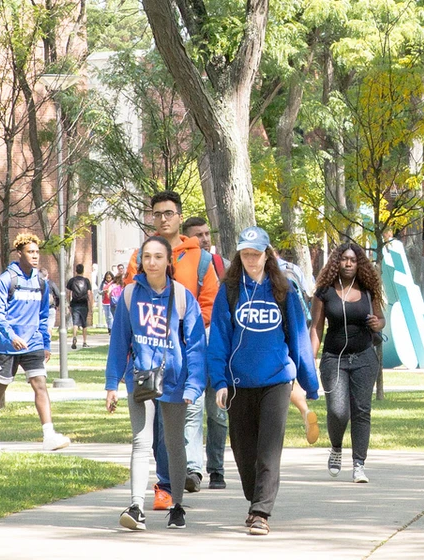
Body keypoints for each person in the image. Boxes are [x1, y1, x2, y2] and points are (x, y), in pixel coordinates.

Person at [208, 227, 319, 536]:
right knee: (244, 453)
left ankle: (260, 512)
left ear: (267, 255)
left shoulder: (284, 291)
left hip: (276, 381)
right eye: (246, 255)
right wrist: (219, 381)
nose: (251, 260)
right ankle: (254, 498)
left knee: (269, 450)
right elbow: (217, 339)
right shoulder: (229, 290)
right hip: (238, 383)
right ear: (239, 256)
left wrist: (310, 384)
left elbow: (298, 339)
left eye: (256, 255)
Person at [123, 193, 224, 500]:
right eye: (157, 214)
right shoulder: (140, 256)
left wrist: (184, 331)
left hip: (184, 352)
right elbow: (131, 300)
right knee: (153, 432)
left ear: (180, 217)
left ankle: (176, 482)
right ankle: (168, 482)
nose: (163, 218)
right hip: (148, 357)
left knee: (182, 421)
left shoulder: (200, 258)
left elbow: (210, 302)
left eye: (168, 213)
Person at [107, 235, 208, 531]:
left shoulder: (181, 297)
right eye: (147, 257)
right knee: (141, 442)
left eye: (158, 257)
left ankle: (177, 506)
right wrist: (112, 382)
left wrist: (194, 385)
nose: (151, 262)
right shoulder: (129, 295)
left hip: (174, 380)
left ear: (168, 261)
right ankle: (136, 506)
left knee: (174, 444)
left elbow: (196, 347)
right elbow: (119, 342)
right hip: (140, 379)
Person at [0, 233, 73, 451]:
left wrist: (46, 343)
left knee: (40, 384)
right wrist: (12, 337)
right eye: (30, 252)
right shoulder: (6, 279)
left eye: (37, 252)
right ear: (19, 253)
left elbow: (44, 315)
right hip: (7, 345)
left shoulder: (41, 282)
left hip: (33, 343)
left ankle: (49, 435)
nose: (35, 256)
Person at [314, 242, 386, 483]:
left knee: (362, 411)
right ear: (337, 262)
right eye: (344, 259)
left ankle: (359, 464)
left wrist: (378, 323)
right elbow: (315, 328)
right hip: (334, 358)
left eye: (353, 260)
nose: (348, 263)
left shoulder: (368, 289)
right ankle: (336, 446)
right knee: (337, 410)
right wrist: (310, 360)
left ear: (359, 264)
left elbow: (380, 319)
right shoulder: (324, 291)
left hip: (365, 357)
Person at [67, 264, 93, 350]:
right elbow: (89, 293)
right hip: (84, 304)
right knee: (84, 324)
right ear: (83, 270)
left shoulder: (72, 280)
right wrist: (91, 305)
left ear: (76, 270)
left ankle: (74, 337)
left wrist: (69, 303)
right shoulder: (86, 281)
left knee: (75, 323)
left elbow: (69, 293)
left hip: (74, 304)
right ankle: (84, 342)